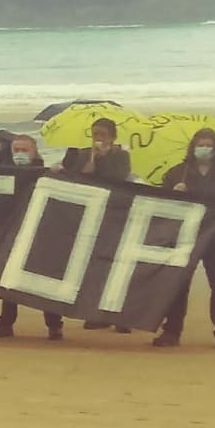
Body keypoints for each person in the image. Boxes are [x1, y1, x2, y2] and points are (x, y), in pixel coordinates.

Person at [152, 127, 215, 350]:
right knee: (178, 285)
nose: (204, 149)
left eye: (208, 145)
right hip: (185, 237)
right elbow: (160, 202)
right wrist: (174, 192)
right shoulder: (179, 172)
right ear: (193, 147)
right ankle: (172, 331)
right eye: (200, 145)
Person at [0, 135, 62, 340]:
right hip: (14, 231)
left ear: (34, 151)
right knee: (9, 279)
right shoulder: (6, 173)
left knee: (45, 280)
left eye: (24, 150)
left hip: (41, 233)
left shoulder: (46, 174)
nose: (20, 154)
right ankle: (5, 324)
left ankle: (54, 325)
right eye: (16, 150)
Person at [61, 117, 135, 330]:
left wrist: (103, 160)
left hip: (115, 214)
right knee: (93, 265)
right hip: (92, 215)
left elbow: (119, 178)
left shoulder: (121, 155)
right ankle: (96, 313)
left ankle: (121, 316)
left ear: (112, 137)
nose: (98, 139)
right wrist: (90, 161)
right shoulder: (84, 154)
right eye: (95, 135)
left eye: (102, 135)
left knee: (117, 265)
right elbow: (76, 178)